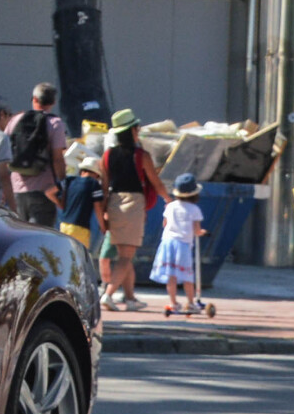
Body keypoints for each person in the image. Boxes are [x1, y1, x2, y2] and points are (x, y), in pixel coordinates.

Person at [100, 109, 164, 310]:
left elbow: (104, 186)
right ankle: (108, 295)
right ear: (133, 131)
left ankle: (130, 299)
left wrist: (104, 213)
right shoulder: (141, 156)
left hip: (114, 204)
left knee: (124, 255)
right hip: (133, 204)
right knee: (127, 256)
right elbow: (156, 182)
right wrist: (170, 200)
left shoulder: (107, 155)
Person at [7, 81, 68, 228]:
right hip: (44, 190)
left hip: (17, 189)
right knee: (41, 238)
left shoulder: (15, 120)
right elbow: (57, 159)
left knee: (20, 235)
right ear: (53, 101)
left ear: (34, 99)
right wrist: (63, 183)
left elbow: (6, 150)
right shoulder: (55, 123)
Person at [152, 171, 206, 316]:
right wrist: (202, 233)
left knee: (171, 275)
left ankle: (173, 303)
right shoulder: (194, 209)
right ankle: (191, 303)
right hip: (183, 244)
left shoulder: (170, 206)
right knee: (187, 275)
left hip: (167, 243)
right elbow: (196, 230)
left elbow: (165, 224)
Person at [58, 153, 107, 256]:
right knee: (78, 259)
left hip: (64, 226)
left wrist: (60, 204)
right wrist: (103, 226)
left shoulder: (70, 180)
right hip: (80, 229)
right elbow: (98, 208)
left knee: (64, 255)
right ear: (96, 174)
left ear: (81, 171)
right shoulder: (93, 184)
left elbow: (49, 192)